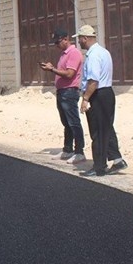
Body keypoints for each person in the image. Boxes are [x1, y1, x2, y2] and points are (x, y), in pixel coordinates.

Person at [74, 25, 127, 177]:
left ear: (85, 38)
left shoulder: (94, 55)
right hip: (106, 93)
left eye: (80, 39)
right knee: (107, 128)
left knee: (97, 132)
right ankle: (117, 160)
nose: (79, 42)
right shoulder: (103, 52)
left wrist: (85, 99)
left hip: (97, 94)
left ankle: (99, 167)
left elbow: (93, 81)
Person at [40, 29, 85, 164]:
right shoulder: (63, 54)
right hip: (62, 92)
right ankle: (68, 149)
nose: (56, 45)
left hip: (69, 92)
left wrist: (52, 69)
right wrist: (52, 68)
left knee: (73, 122)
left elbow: (70, 74)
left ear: (66, 39)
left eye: (58, 42)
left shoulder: (74, 53)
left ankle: (79, 152)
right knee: (66, 123)